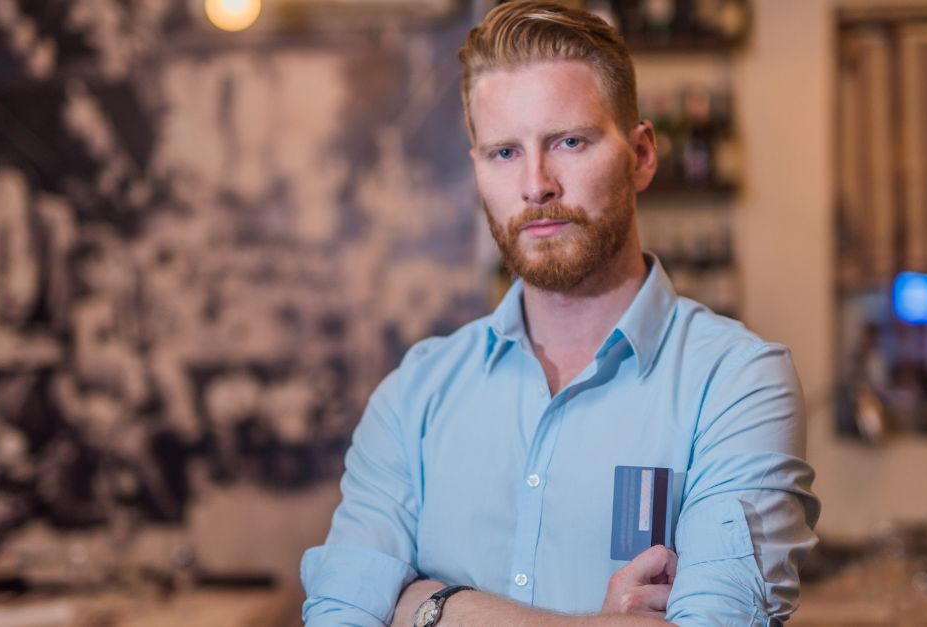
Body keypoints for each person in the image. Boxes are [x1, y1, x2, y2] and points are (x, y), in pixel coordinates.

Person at [300, 2, 819, 625]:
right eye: (504, 153)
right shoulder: (414, 396)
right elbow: (339, 614)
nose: (536, 184)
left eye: (569, 142)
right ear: (476, 169)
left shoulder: (737, 383)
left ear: (641, 155)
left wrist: (424, 604)